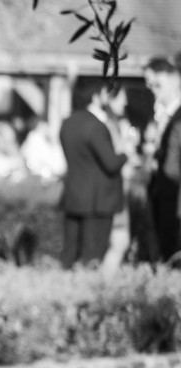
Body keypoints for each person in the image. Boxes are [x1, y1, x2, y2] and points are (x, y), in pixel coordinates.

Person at [58, 84, 129, 269]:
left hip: (73, 195)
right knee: (93, 257)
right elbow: (111, 164)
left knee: (69, 255)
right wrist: (126, 152)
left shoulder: (68, 122)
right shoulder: (96, 126)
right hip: (98, 201)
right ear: (97, 96)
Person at [100, 85, 140, 274]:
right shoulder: (106, 125)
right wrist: (127, 146)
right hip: (112, 190)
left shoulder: (117, 123)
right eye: (121, 98)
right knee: (119, 240)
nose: (125, 102)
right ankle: (103, 283)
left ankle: (106, 282)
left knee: (120, 240)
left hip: (119, 189)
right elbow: (114, 158)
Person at [145, 57, 181, 264]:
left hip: (173, 189)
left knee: (171, 244)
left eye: (156, 84)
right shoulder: (160, 114)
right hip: (160, 186)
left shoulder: (177, 115)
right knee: (161, 241)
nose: (151, 89)